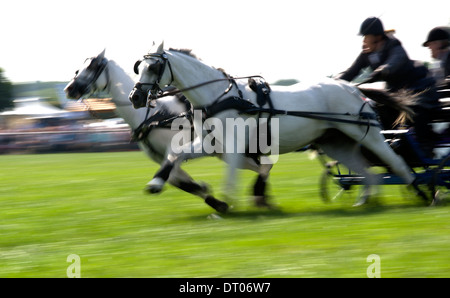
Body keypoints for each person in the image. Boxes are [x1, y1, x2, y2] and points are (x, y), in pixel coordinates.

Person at [336, 17, 439, 157]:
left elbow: (392, 64)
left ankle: (426, 146)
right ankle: (394, 146)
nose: (363, 41)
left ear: (377, 37)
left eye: (366, 36)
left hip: (419, 88)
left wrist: (377, 74)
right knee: (380, 109)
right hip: (396, 93)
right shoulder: (366, 53)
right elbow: (351, 72)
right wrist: (333, 82)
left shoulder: (395, 46)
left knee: (416, 109)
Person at [422, 26, 450, 93]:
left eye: (430, 44)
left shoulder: (448, 59)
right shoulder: (445, 60)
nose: (429, 48)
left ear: (438, 43)